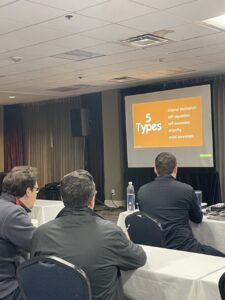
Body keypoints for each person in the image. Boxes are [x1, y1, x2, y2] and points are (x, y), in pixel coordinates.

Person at [31, 169, 146, 300]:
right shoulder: (111, 232)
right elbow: (139, 258)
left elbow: (35, 274)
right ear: (92, 200)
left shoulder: (40, 234)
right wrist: (126, 240)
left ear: (63, 199)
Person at [137, 152, 225, 257]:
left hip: (156, 250)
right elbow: (197, 219)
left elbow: (145, 218)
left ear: (155, 169)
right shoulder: (186, 189)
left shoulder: (142, 191)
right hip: (185, 248)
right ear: (175, 169)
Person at [0, 166, 38, 300]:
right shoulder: (13, 213)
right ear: (28, 191)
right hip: (7, 288)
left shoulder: (3, 205)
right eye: (36, 189)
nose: (36, 194)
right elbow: (37, 244)